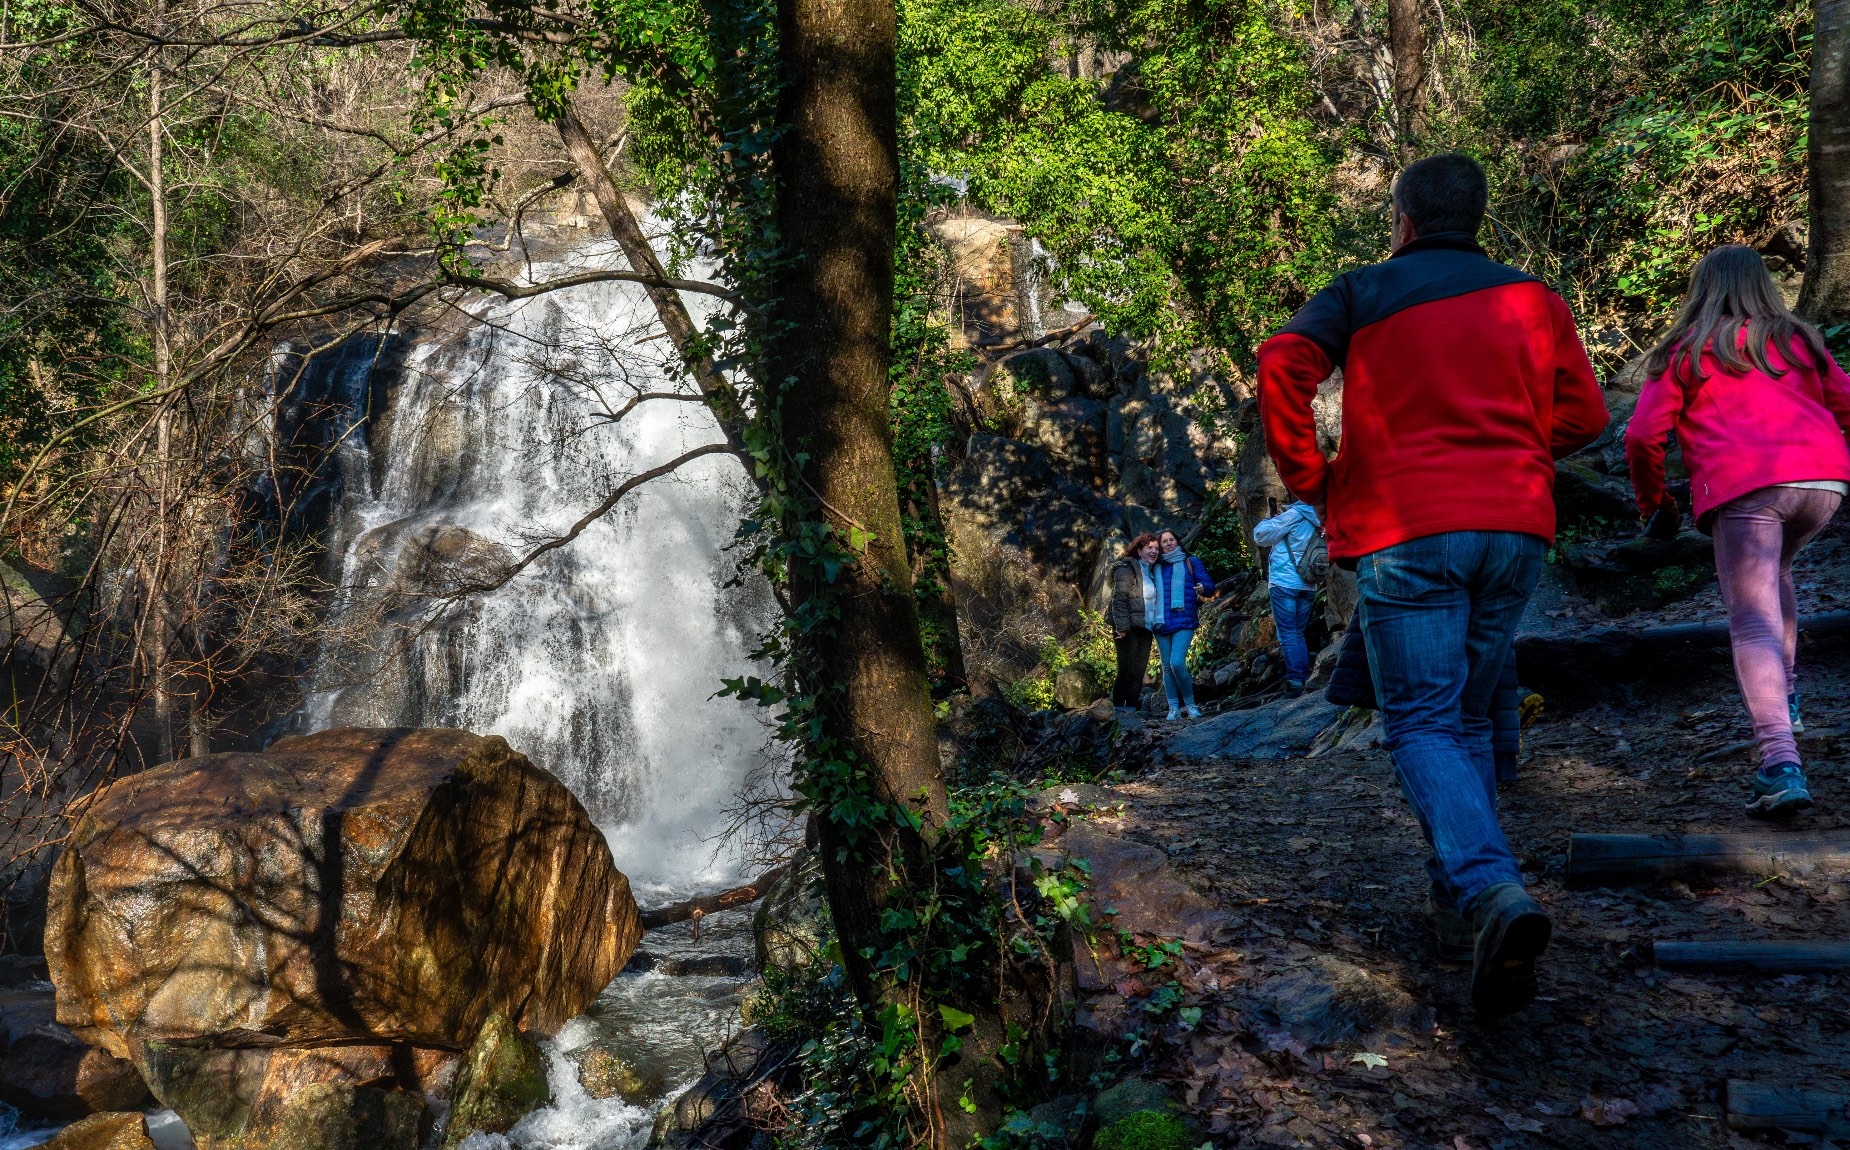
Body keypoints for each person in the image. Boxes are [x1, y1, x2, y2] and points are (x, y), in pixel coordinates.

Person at [1258, 152, 1608, 1017]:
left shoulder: (1361, 290)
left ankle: (1491, 889)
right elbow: (1588, 417)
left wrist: (1315, 480)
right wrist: (1517, 453)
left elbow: (1281, 364)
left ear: (1403, 221)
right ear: (1476, 217)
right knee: (1465, 718)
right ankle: (1458, 910)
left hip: (1408, 527)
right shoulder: (1536, 299)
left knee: (1419, 721)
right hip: (1515, 529)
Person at [1626, 244, 1850, 820]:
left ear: (1701, 289)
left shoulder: (1686, 349)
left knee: (1750, 620)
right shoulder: (1799, 340)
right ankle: (1789, 698)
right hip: (1822, 482)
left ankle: (1780, 764)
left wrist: (1656, 506)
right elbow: (1846, 406)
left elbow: (1641, 436)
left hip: (1748, 487)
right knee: (1774, 577)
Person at [1254, 500, 1322, 694]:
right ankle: (1305, 677)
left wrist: (1269, 518)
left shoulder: (1295, 514)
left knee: (1288, 632)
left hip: (1285, 581)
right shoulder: (1322, 515)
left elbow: (1261, 536)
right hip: (1309, 582)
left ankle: (1295, 681)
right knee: (1297, 631)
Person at [1151, 529, 1216, 720]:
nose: (1169, 543)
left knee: (1177, 663)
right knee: (1167, 667)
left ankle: (1190, 705)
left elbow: (1208, 584)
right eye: (1165, 541)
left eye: (1172, 539)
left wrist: (1204, 588)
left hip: (1184, 619)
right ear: (1160, 546)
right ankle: (1173, 709)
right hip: (1160, 621)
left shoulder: (1191, 561)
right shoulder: (1155, 565)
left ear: (1178, 542)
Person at [1105, 534, 1163, 710]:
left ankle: (1131, 708)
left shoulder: (1153, 572)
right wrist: (1122, 627)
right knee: (1126, 669)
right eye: (1149, 548)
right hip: (1127, 627)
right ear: (1139, 550)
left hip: (1145, 627)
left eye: (1156, 548)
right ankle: (1117, 708)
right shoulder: (1126, 568)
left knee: (1139, 671)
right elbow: (1119, 599)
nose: (1154, 551)